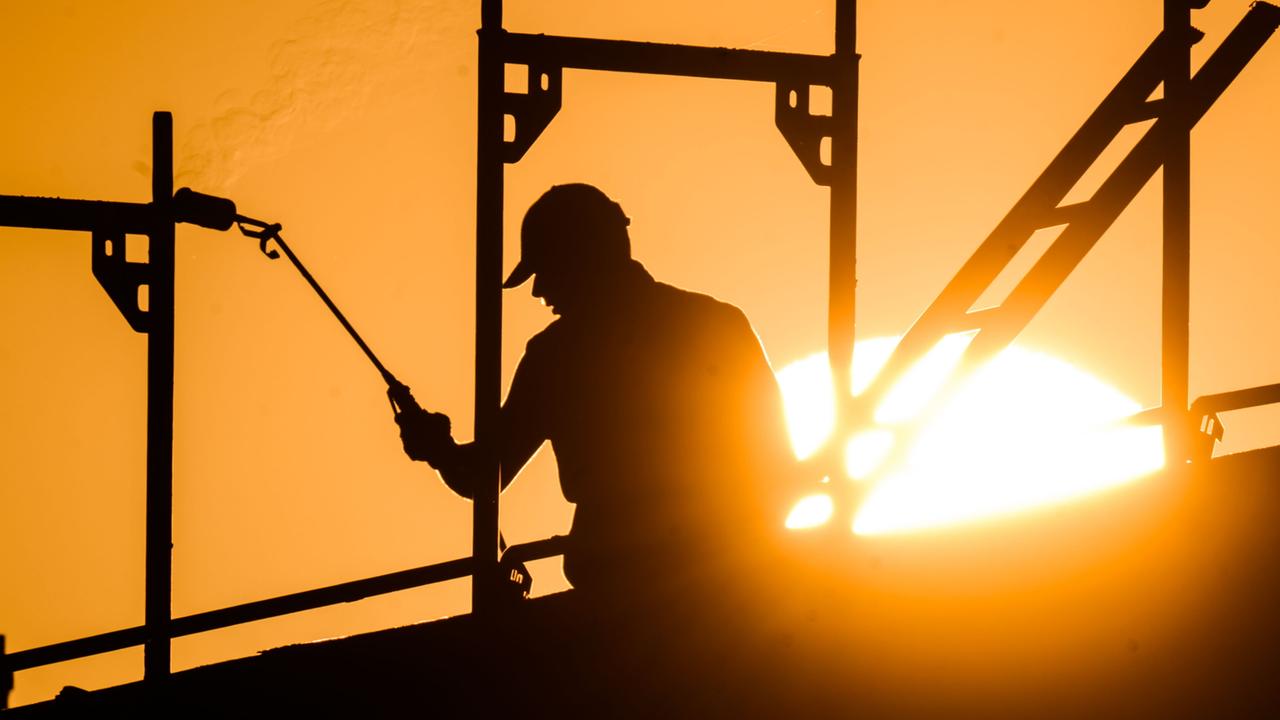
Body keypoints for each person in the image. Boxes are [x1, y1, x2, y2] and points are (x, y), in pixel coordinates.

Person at [396, 183, 800, 603]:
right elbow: (779, 466)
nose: (537, 292)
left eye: (545, 270)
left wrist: (437, 448)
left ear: (578, 260)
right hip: (737, 582)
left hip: (617, 596)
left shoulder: (556, 356)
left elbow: (482, 477)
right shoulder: (718, 324)